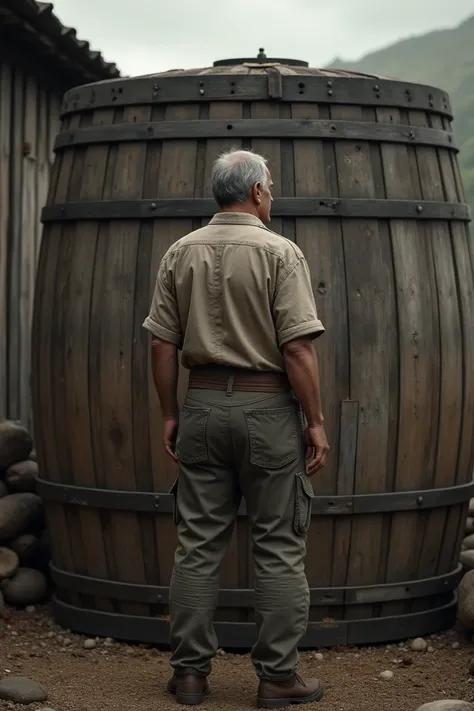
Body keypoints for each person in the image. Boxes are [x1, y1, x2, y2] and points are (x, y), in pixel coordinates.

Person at [142, 148, 329, 708]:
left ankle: (191, 676)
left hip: (200, 407)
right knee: (278, 545)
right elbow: (296, 347)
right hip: (268, 411)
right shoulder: (281, 253)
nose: (271, 195)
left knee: (197, 545)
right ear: (255, 192)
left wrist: (171, 412)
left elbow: (160, 342)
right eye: (269, 187)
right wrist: (315, 421)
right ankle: (276, 678)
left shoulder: (181, 251)